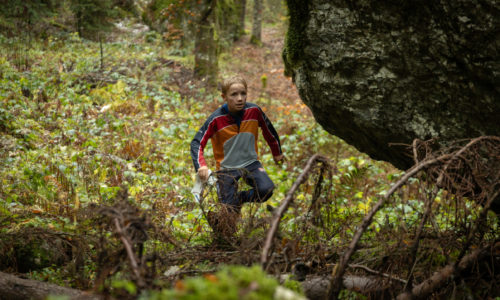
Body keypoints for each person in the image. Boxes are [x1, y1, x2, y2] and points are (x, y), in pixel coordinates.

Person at [190, 75, 284, 236]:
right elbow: (197, 143)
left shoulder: (254, 111)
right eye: (234, 94)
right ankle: (222, 231)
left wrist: (277, 153)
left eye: (243, 93)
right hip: (227, 169)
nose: (239, 98)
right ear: (224, 97)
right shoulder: (216, 119)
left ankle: (239, 199)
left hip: (251, 164)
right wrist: (201, 165)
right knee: (228, 215)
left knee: (266, 190)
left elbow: (269, 130)